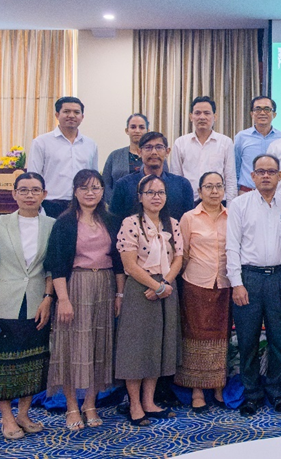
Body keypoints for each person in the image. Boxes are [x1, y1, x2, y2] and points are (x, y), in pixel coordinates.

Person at [0, 172, 54, 440]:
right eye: (24, 190)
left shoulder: (52, 225)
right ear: (15, 194)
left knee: (32, 360)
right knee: (1, 362)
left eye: (35, 190)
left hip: (36, 302)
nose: (29, 195)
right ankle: (7, 418)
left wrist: (48, 298)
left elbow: (52, 268)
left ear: (44, 194)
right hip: (1, 301)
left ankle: (23, 413)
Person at [45, 169, 124, 431]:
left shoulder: (111, 220)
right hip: (75, 285)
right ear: (75, 192)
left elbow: (119, 262)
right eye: (84, 188)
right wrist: (63, 299)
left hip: (105, 284)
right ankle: (71, 405)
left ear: (103, 191)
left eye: (96, 188)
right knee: (72, 346)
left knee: (98, 345)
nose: (90, 193)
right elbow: (56, 265)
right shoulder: (65, 222)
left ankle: (90, 403)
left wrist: (119, 294)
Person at [226, 154, 281, 417]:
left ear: (280, 175)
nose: (266, 175)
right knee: (248, 341)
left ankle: (278, 393)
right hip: (249, 279)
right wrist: (237, 283)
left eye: (271, 171)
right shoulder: (239, 204)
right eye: (260, 171)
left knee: (279, 339)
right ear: (253, 176)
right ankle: (252, 395)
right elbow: (232, 246)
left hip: (280, 279)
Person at [114, 174, 184, 426]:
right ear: (140, 197)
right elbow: (130, 266)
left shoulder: (172, 223)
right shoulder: (130, 223)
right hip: (140, 290)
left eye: (161, 192)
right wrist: (156, 286)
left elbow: (178, 258)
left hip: (166, 288)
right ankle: (134, 404)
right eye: (150, 192)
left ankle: (149, 401)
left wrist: (165, 285)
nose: (156, 197)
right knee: (136, 349)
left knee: (158, 346)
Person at [175, 172, 231, 413]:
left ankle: (218, 386)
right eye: (208, 186)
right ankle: (197, 390)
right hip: (196, 284)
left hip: (225, 284)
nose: (214, 191)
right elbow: (182, 253)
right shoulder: (189, 218)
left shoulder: (232, 216)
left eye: (218, 186)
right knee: (195, 336)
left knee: (220, 336)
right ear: (199, 191)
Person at [28, 96, 98, 217]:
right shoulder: (41, 142)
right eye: (66, 111)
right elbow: (33, 176)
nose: (71, 115)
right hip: (51, 205)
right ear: (57, 115)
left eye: (76, 112)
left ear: (82, 117)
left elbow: (94, 177)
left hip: (82, 205)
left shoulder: (90, 144)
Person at [111, 131, 194, 221]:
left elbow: (188, 222)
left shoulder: (182, 185)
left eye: (159, 147)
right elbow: (115, 222)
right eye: (148, 147)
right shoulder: (124, 185)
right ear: (139, 152)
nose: (154, 152)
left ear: (167, 152)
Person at [169, 95, 238, 203]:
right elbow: (176, 179)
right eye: (197, 113)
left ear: (215, 116)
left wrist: (230, 208)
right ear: (191, 117)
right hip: (189, 202)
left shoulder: (225, 142)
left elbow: (230, 179)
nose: (202, 117)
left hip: (218, 201)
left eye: (207, 113)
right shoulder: (180, 143)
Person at [103, 113, 157, 203]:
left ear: (147, 131)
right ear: (126, 130)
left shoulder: (156, 156)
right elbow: (105, 183)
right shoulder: (114, 156)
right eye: (133, 127)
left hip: (150, 206)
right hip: (118, 206)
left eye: (141, 127)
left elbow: (164, 181)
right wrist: (113, 202)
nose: (137, 130)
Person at [235, 96, 281, 194]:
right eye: (258, 109)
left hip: (275, 194)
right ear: (252, 114)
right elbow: (235, 168)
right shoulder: (241, 137)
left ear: (274, 114)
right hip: (247, 193)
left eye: (267, 109)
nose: (262, 113)